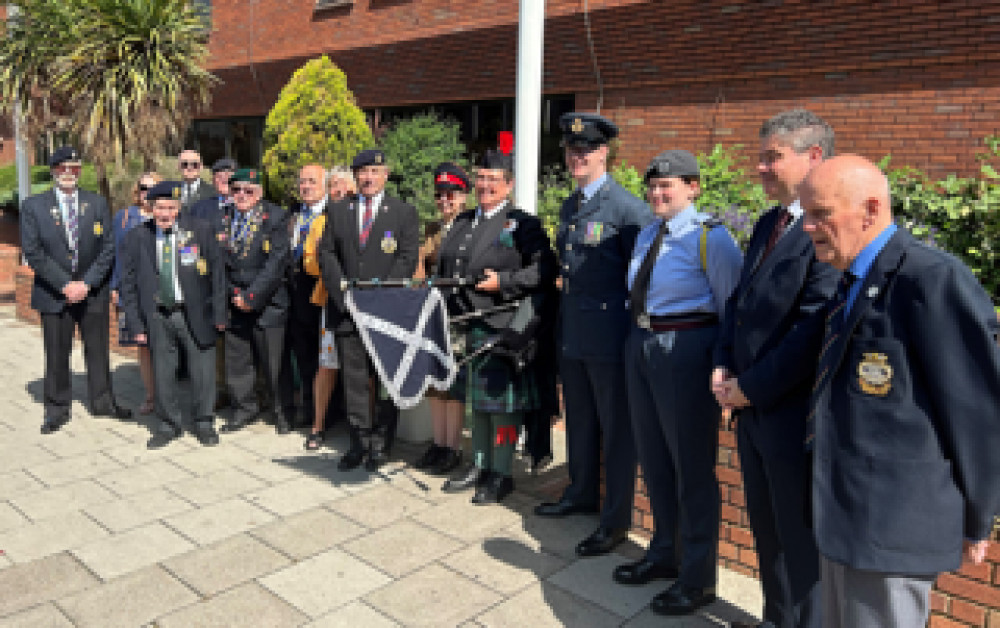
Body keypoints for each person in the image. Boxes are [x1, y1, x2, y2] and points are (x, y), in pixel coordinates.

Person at [798, 154, 1000, 627]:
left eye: (820, 213)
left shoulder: (930, 279)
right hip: (841, 508)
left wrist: (980, 515)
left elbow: (976, 409)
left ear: (869, 211)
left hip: (890, 521)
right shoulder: (849, 278)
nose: (807, 226)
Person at [711, 109, 841, 628]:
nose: (760, 167)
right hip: (751, 409)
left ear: (813, 157)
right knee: (766, 532)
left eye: (773, 157)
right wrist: (723, 364)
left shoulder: (825, 228)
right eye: (760, 156)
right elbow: (739, 306)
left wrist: (748, 389)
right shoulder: (768, 224)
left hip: (791, 416)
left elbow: (812, 330)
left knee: (799, 540)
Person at [617, 150, 742, 615]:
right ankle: (664, 553)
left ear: (693, 187)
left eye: (667, 186)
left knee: (691, 469)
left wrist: (727, 367)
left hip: (686, 351)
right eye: (652, 186)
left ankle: (697, 577)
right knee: (654, 459)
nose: (657, 193)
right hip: (644, 345)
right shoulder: (649, 233)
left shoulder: (712, 238)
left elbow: (732, 308)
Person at [534, 113, 653, 559]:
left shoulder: (627, 210)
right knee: (580, 422)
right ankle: (581, 492)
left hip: (609, 338)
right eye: (571, 150)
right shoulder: (570, 206)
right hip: (574, 335)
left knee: (617, 431)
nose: (577, 156)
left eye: (586, 149)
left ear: (604, 152)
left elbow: (640, 281)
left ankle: (615, 519)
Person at [436, 150, 556, 503]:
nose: (485, 185)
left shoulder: (523, 224)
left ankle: (501, 472)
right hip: (467, 325)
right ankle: (479, 464)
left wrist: (503, 281)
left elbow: (543, 271)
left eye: (493, 179)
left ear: (509, 184)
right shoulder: (464, 220)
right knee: (479, 408)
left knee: (503, 410)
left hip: (503, 328)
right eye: (481, 178)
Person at [317, 148, 419, 471]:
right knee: (354, 381)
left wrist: (379, 296)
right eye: (362, 172)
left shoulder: (403, 213)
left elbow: (406, 258)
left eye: (374, 172)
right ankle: (358, 444)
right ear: (356, 176)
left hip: (385, 314)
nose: (368, 178)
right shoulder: (338, 210)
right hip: (348, 310)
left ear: (385, 175)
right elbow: (326, 255)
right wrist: (342, 291)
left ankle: (380, 446)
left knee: (386, 381)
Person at [20, 146, 131, 433]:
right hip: (54, 292)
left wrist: (87, 283)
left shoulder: (95, 203)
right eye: (62, 168)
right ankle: (56, 409)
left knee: (98, 350)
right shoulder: (33, 206)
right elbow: (33, 252)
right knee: (57, 353)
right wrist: (65, 284)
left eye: (74, 168)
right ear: (53, 170)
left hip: (92, 292)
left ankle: (103, 402)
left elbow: (108, 247)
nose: (68, 173)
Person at [119, 181, 227, 449]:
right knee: (164, 373)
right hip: (157, 315)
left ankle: (204, 421)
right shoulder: (136, 237)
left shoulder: (199, 230)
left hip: (195, 312)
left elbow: (218, 275)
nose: (164, 213)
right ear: (150, 208)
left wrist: (219, 313)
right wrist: (135, 323)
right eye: (159, 208)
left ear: (178, 208)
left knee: (202, 371)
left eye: (170, 207)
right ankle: (168, 424)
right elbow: (128, 284)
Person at [218, 168, 292, 434]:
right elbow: (218, 263)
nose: (242, 195)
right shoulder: (223, 217)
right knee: (238, 363)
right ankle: (243, 409)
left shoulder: (275, 217)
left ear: (259, 193)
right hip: (234, 301)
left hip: (267, 302)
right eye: (236, 189)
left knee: (274, 364)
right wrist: (233, 294)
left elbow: (276, 263)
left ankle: (282, 412)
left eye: (248, 190)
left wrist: (251, 297)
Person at [412, 162, 470, 475]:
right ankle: (438, 443)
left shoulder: (472, 225)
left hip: (459, 312)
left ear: (464, 196)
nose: (445, 200)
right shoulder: (434, 229)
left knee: (454, 381)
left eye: (451, 194)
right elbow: (421, 262)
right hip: (434, 312)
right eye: (440, 194)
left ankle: (453, 447)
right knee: (435, 381)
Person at [279, 164, 330, 429]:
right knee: (302, 355)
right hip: (293, 294)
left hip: (320, 292)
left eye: (312, 181)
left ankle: (322, 412)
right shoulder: (292, 214)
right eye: (302, 182)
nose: (306, 186)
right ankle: (305, 408)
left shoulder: (333, 215)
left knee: (321, 358)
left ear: (324, 185)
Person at [110, 171, 161, 415]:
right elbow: (115, 255)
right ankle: (151, 396)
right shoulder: (124, 217)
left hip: (163, 291)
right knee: (143, 346)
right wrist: (115, 287)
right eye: (143, 188)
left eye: (152, 188)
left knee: (164, 345)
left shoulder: (167, 215)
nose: (147, 193)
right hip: (134, 292)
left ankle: (166, 394)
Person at [190, 157, 237, 410]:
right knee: (216, 340)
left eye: (229, 175)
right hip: (209, 285)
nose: (224, 180)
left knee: (241, 340)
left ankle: (251, 391)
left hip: (239, 283)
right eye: (219, 176)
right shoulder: (201, 208)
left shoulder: (246, 203)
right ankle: (220, 390)